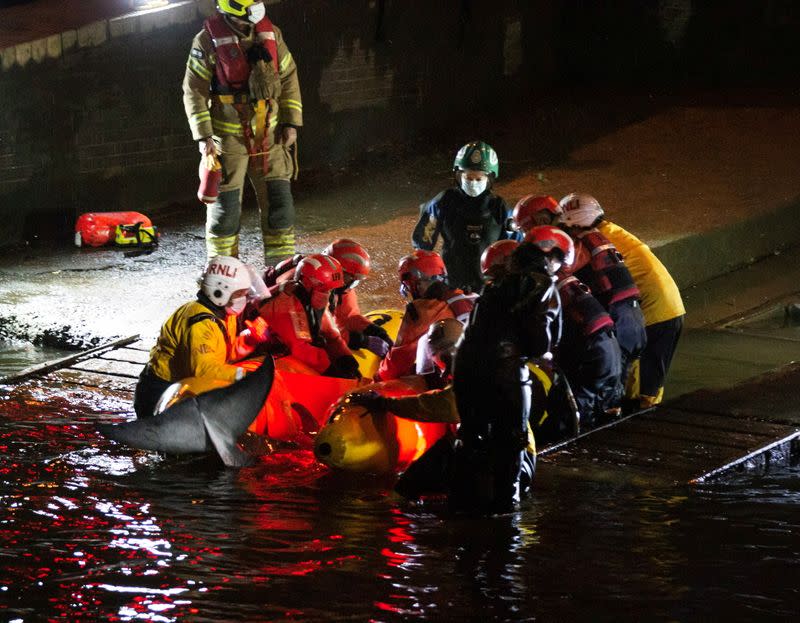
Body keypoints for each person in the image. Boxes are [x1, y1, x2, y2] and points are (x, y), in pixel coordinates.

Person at [183, 0, 303, 264]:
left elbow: (288, 77)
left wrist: (291, 123)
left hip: (270, 140)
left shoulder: (272, 34)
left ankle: (280, 273)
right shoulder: (207, 41)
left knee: (280, 209)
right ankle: (222, 274)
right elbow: (194, 91)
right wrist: (204, 138)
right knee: (224, 215)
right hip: (229, 143)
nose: (251, 21)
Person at [450, 235, 562, 513]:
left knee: (471, 434)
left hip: (465, 365)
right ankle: (504, 507)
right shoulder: (542, 284)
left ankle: (462, 501)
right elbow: (541, 341)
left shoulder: (492, 287)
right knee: (512, 438)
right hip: (504, 369)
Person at [133, 256, 270, 418]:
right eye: (240, 293)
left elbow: (220, 353)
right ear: (219, 292)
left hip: (181, 387)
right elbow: (204, 370)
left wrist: (248, 340)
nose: (245, 298)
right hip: (161, 393)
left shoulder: (223, 314)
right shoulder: (200, 323)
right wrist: (249, 377)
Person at [524, 226, 623, 429]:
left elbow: (547, 334)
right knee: (600, 413)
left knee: (569, 418)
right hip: (608, 346)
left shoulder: (542, 286)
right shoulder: (565, 280)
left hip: (593, 351)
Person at [559, 193, 647, 395]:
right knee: (623, 389)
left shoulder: (583, 246)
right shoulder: (602, 240)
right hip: (634, 321)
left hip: (618, 323)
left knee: (609, 394)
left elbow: (563, 270)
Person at [594, 218, 685, 409]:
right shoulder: (615, 232)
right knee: (651, 387)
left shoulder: (596, 242)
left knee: (636, 389)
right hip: (671, 308)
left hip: (651, 315)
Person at [411, 141, 518, 293]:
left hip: (489, 288)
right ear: (458, 175)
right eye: (468, 177)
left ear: (490, 179)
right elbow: (423, 245)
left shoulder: (500, 208)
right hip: (451, 288)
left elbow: (513, 249)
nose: (473, 183)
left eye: (479, 179)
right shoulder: (443, 202)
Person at [262, 239, 393, 357]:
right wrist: (359, 341)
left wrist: (374, 330)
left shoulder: (334, 282)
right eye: (352, 279)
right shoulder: (304, 284)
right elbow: (314, 329)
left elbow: (348, 316)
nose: (353, 284)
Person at [377, 250, 476, 381]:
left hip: (457, 384)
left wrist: (376, 381)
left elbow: (398, 362)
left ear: (415, 283)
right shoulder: (471, 296)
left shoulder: (422, 311)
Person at [257, 253, 360, 378]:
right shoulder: (285, 302)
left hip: (285, 348)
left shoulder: (311, 296)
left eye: (330, 290)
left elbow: (331, 334)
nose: (328, 294)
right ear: (309, 283)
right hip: (261, 353)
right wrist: (331, 370)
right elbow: (299, 347)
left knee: (320, 343)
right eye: (325, 289)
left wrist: (345, 358)